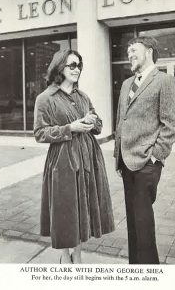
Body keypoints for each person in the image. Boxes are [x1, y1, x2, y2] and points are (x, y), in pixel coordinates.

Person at [34, 49, 114, 264]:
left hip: (88, 157)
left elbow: (98, 125)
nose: (76, 69)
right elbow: (40, 133)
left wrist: (92, 121)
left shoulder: (83, 96)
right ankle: (64, 257)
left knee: (82, 208)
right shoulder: (45, 98)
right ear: (60, 67)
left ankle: (77, 256)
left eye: (78, 65)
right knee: (65, 208)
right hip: (63, 160)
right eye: (72, 65)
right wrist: (70, 127)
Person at [114, 36, 175, 264]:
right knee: (133, 225)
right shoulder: (126, 84)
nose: (129, 54)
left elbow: (173, 124)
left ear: (149, 51)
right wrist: (118, 157)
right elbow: (121, 121)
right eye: (127, 51)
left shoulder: (164, 81)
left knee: (143, 226)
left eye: (133, 50)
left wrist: (155, 157)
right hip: (126, 163)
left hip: (146, 165)